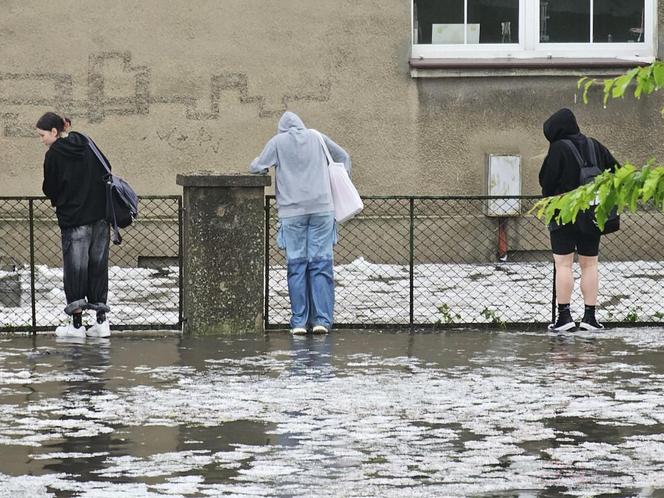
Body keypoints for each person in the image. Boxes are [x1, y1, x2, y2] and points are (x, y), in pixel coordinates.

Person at [250, 111, 351, 335]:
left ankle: (298, 322)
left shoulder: (277, 142)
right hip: (322, 208)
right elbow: (343, 156)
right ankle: (321, 321)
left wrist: (262, 165)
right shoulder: (317, 137)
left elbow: (257, 166)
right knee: (321, 263)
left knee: (297, 266)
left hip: (292, 211)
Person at [539, 108, 619, 332]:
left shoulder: (558, 149)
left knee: (563, 264)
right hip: (593, 213)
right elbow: (617, 171)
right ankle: (590, 318)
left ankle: (564, 318)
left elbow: (547, 182)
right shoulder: (595, 145)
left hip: (563, 213)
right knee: (590, 264)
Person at [37, 112, 111, 338]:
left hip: (74, 218)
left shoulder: (54, 155)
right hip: (100, 216)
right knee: (98, 267)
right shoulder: (87, 143)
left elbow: (50, 188)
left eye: (42, 135)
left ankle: (77, 325)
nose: (41, 140)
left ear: (54, 131)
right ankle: (101, 322)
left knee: (75, 269)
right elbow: (106, 167)